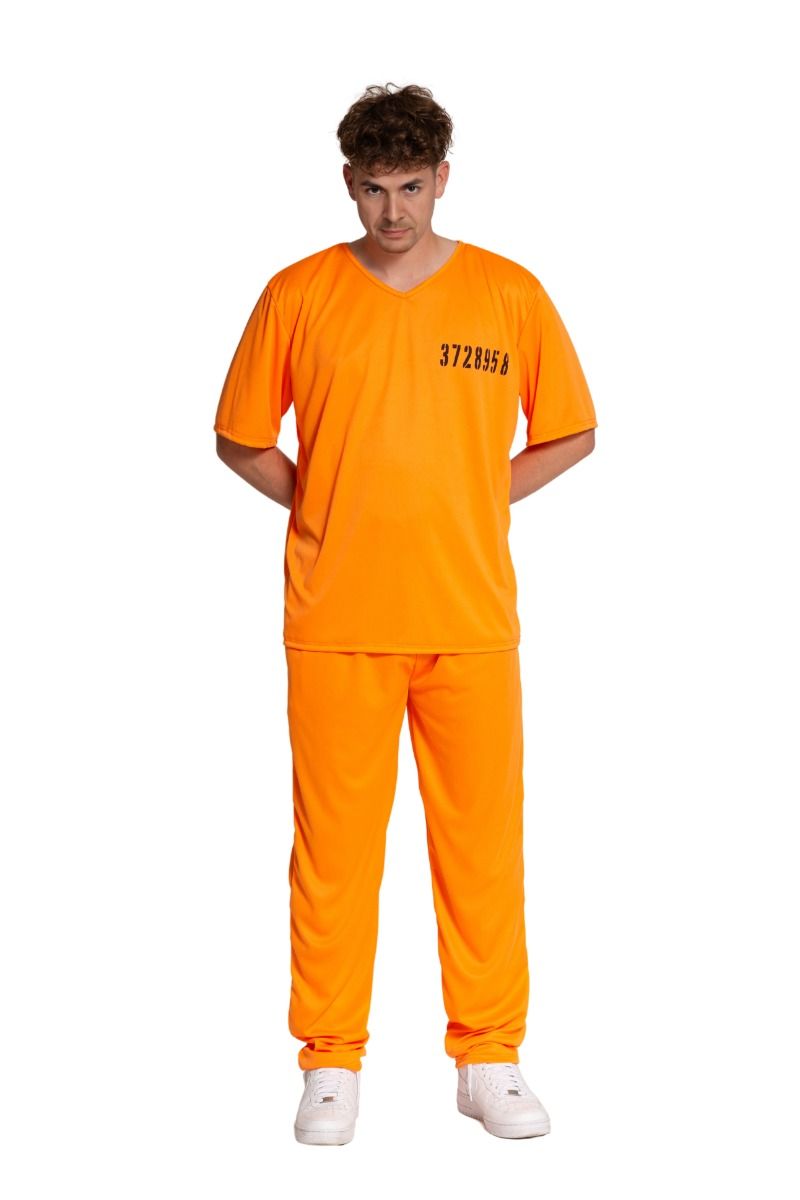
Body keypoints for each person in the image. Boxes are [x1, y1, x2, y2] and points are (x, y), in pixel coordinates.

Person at [213, 82, 597, 1146]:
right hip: (336, 617)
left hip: (468, 618)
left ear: (443, 180)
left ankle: (489, 1056)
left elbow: (570, 431)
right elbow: (240, 437)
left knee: (481, 849)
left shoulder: (507, 294)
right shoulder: (297, 295)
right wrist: (324, 503)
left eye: (412, 187)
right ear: (349, 183)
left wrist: (477, 497)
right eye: (375, 188)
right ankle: (330, 1063)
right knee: (333, 854)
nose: (393, 210)